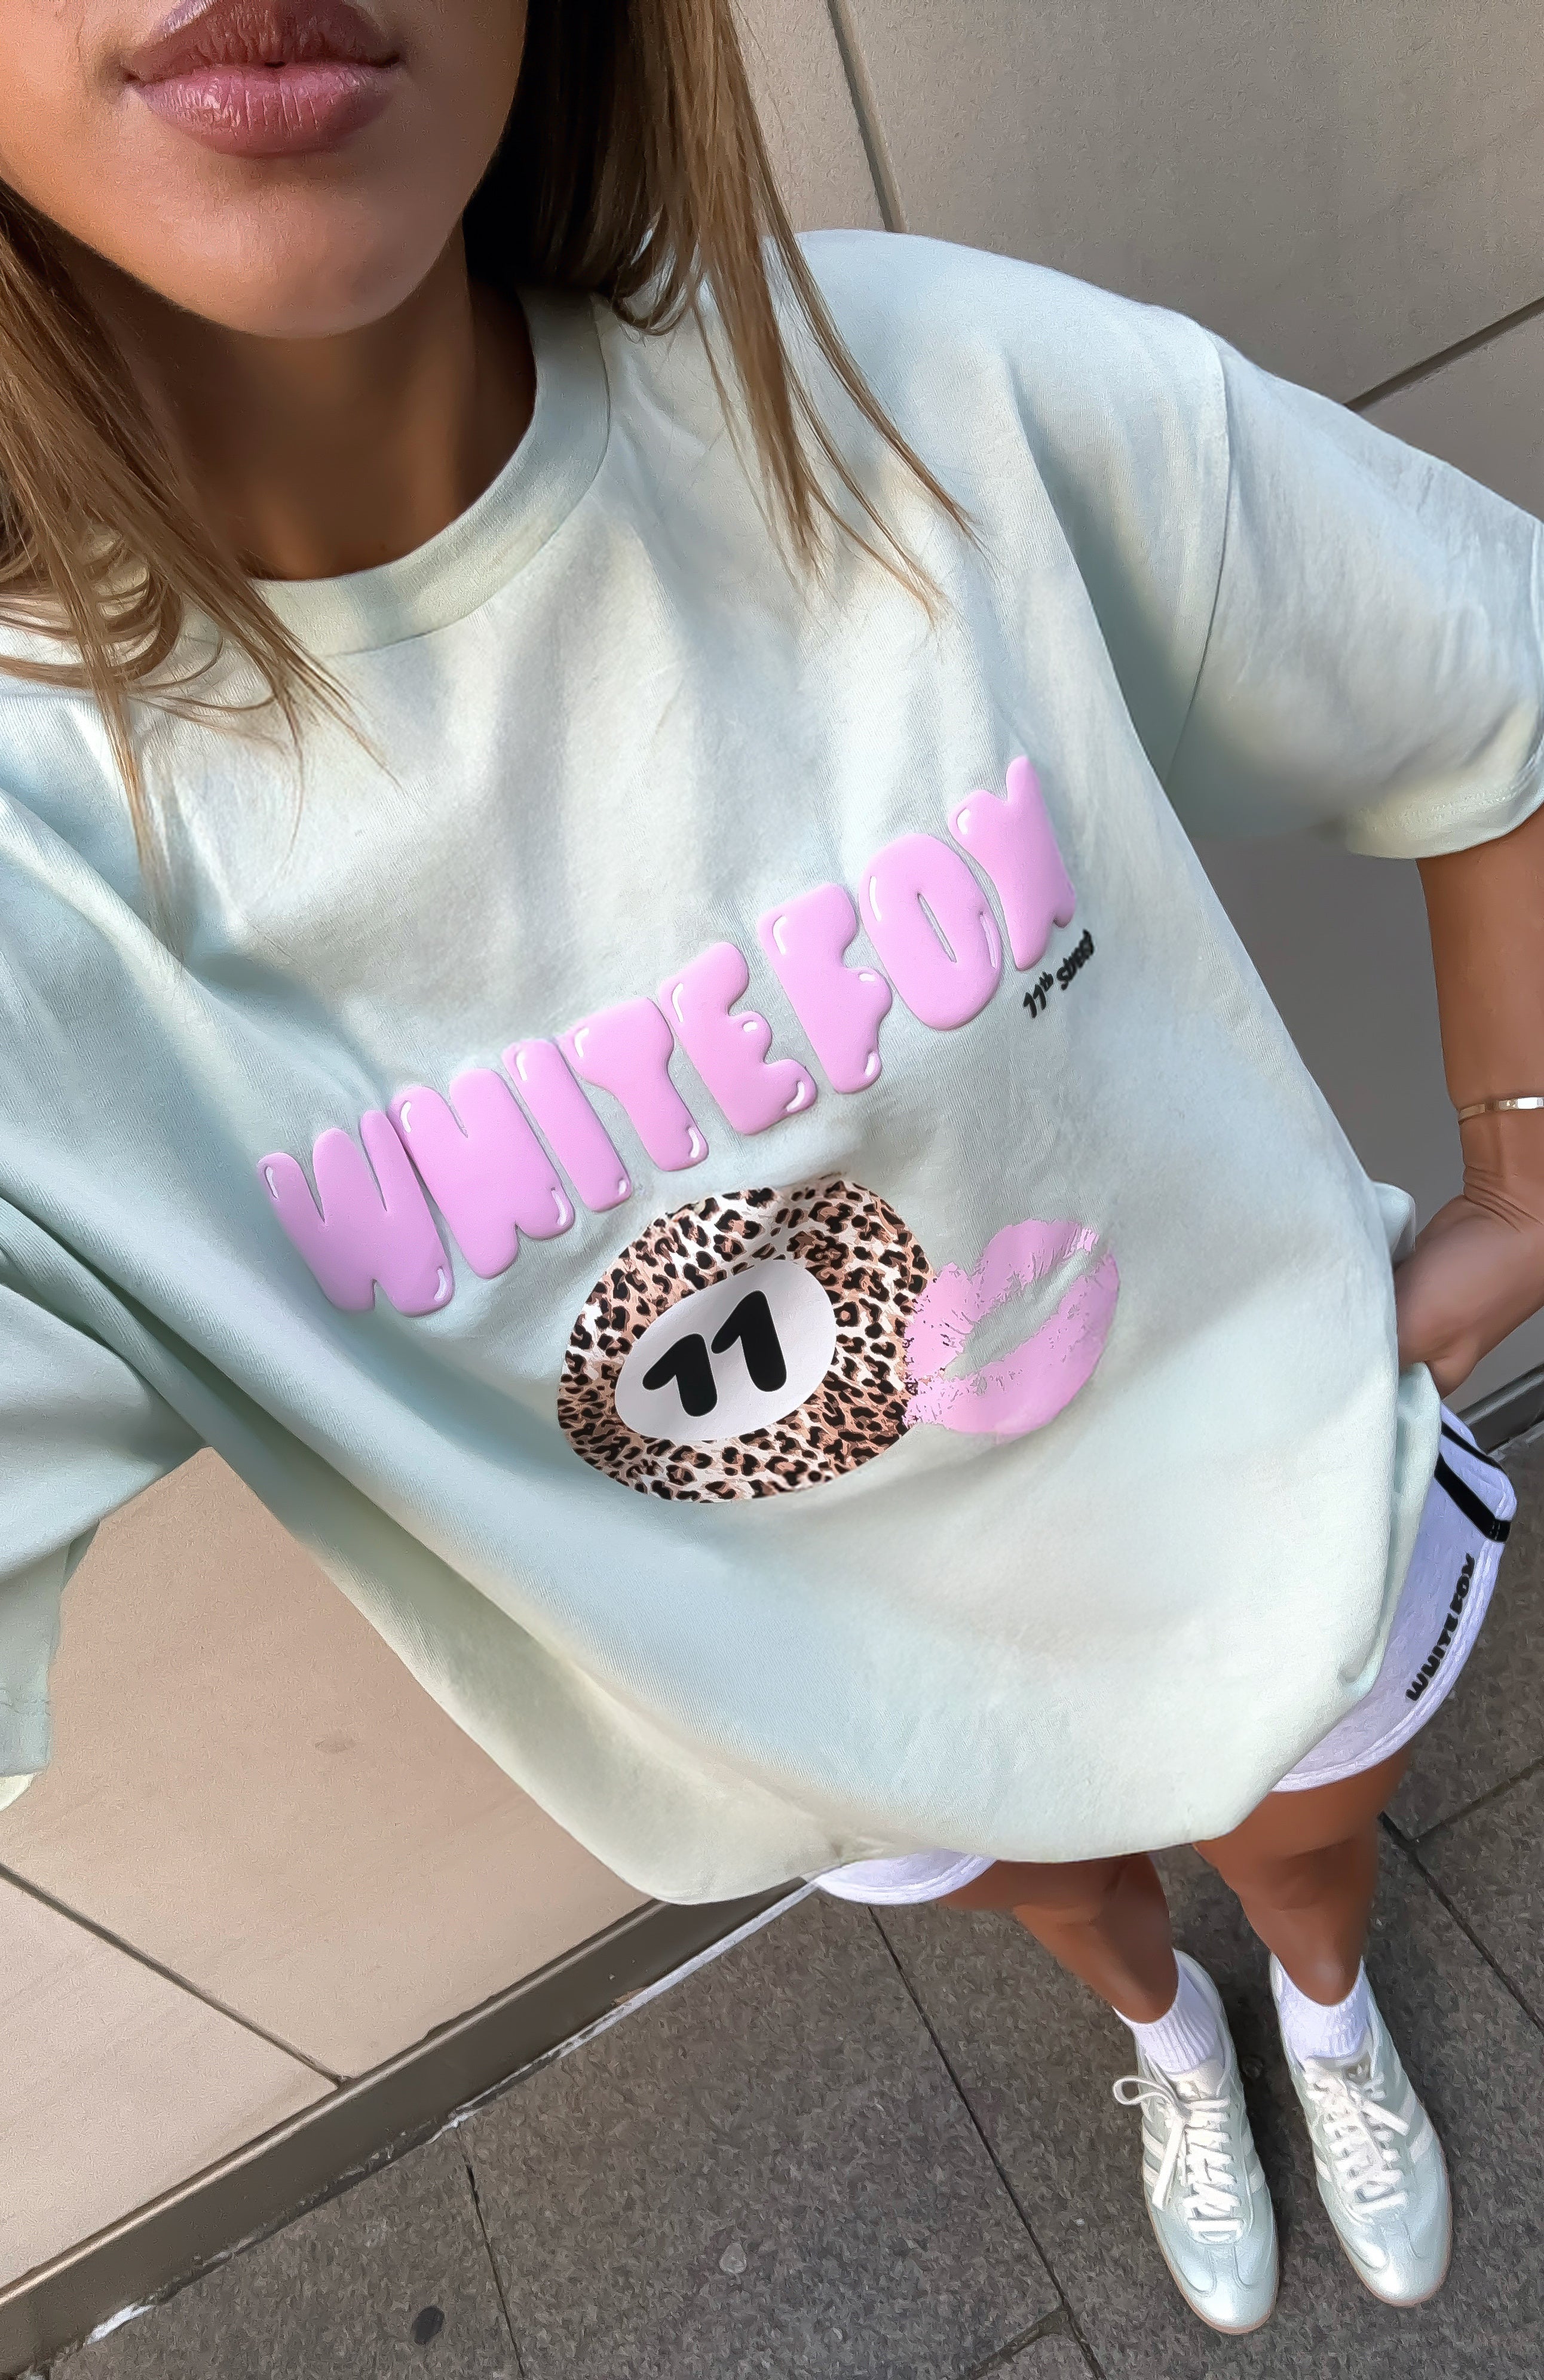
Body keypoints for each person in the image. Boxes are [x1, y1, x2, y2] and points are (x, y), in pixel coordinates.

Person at [0, 0, 1539, 2336]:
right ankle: (1169, 2048)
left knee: (1310, 1849)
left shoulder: (918, 394)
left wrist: (1520, 1184)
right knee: (1065, 1899)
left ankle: (1326, 2022)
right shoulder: (41, 891)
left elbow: (1491, 679)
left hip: (1276, 1514)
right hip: (835, 1727)